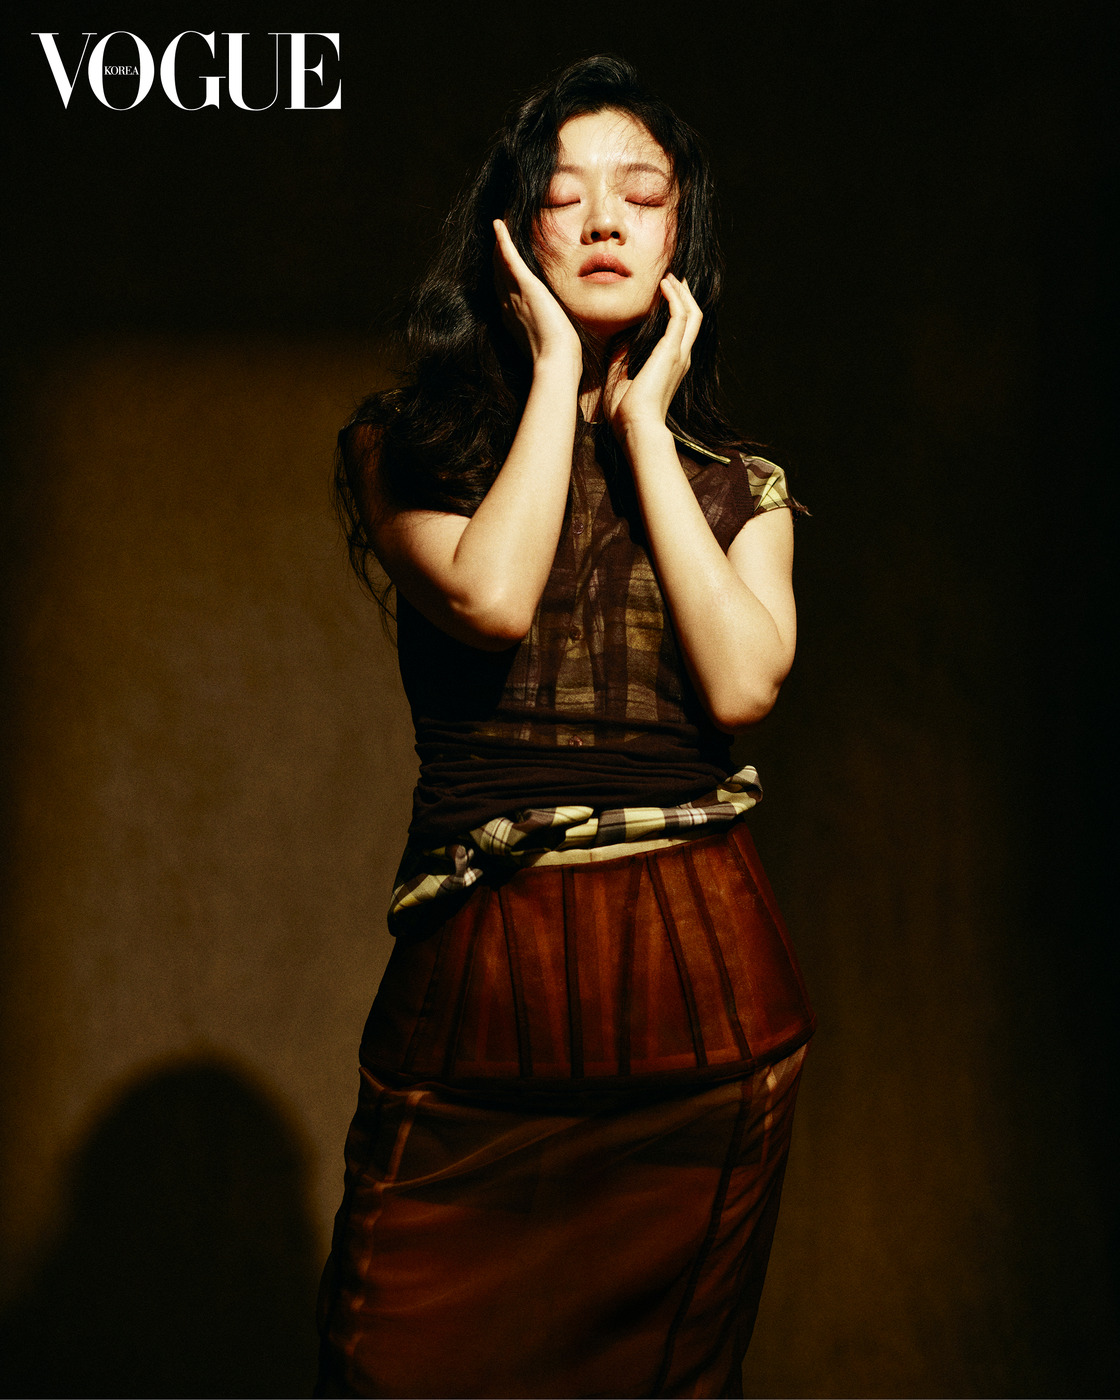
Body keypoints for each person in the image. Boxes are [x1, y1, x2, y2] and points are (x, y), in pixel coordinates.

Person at [315, 54, 815, 1400]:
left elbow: (742, 689)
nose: (604, 222)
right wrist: (554, 371)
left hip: (705, 1005)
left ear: (680, 235)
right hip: (476, 1001)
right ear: (511, 234)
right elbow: (489, 600)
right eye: (565, 194)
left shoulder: (742, 488)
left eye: (641, 196)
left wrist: (646, 425)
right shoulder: (406, 449)